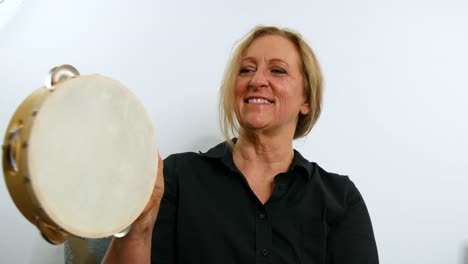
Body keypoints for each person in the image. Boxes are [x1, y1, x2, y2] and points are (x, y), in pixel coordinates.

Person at [102, 25, 379, 264]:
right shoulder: (175, 177)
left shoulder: (340, 199)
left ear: (306, 99)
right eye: (246, 70)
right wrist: (138, 226)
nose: (257, 80)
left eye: (278, 71)